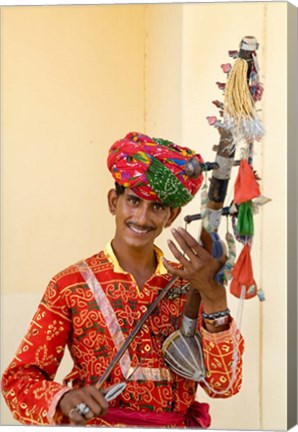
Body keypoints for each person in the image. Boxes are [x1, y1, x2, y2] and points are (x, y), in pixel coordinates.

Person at [1, 131, 244, 427]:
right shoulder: (69, 285)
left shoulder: (191, 284)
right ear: (113, 201)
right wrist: (63, 398)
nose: (142, 218)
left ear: (172, 215)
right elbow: (20, 382)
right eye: (133, 201)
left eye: (157, 207)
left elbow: (224, 386)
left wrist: (214, 296)